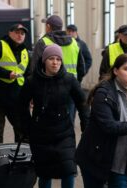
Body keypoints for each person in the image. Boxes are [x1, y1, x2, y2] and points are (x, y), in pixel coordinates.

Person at [76, 54, 127, 188]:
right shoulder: (103, 94)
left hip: (122, 162)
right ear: (116, 71)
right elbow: (108, 125)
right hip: (96, 158)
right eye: (126, 69)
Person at [18, 44, 90, 188]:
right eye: (51, 59)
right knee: (45, 173)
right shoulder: (33, 81)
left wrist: (85, 127)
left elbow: (83, 103)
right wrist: (27, 128)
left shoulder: (69, 79)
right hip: (40, 134)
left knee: (69, 170)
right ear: (44, 60)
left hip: (64, 133)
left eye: (58, 59)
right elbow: (20, 106)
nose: (55, 62)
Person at [0, 23, 30, 146]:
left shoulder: (25, 52)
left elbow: (28, 75)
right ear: (10, 33)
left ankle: (20, 160)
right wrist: (7, 74)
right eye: (17, 32)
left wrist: (30, 96)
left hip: (16, 99)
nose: (20, 35)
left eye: (22, 33)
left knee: (22, 131)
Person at [31, 15, 86, 82]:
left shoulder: (43, 42)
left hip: (49, 86)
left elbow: (34, 69)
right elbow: (81, 69)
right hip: (71, 85)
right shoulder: (74, 43)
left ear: (48, 26)